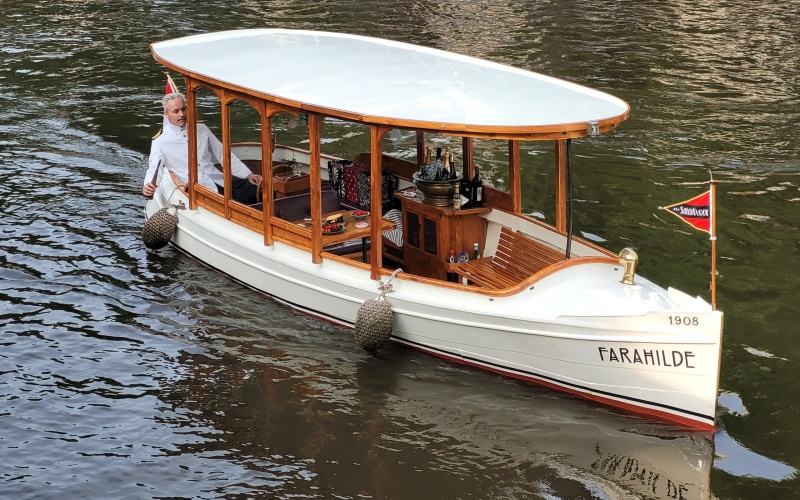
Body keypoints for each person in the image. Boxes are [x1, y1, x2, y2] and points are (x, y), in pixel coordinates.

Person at [142, 92, 262, 202]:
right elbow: (154, 169)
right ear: (166, 114)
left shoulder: (201, 128)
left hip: (219, 180)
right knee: (234, 202)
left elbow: (222, 154)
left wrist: (248, 174)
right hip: (196, 189)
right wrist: (148, 185)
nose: (182, 114)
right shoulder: (160, 142)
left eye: (184, 109)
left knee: (257, 187)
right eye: (176, 111)